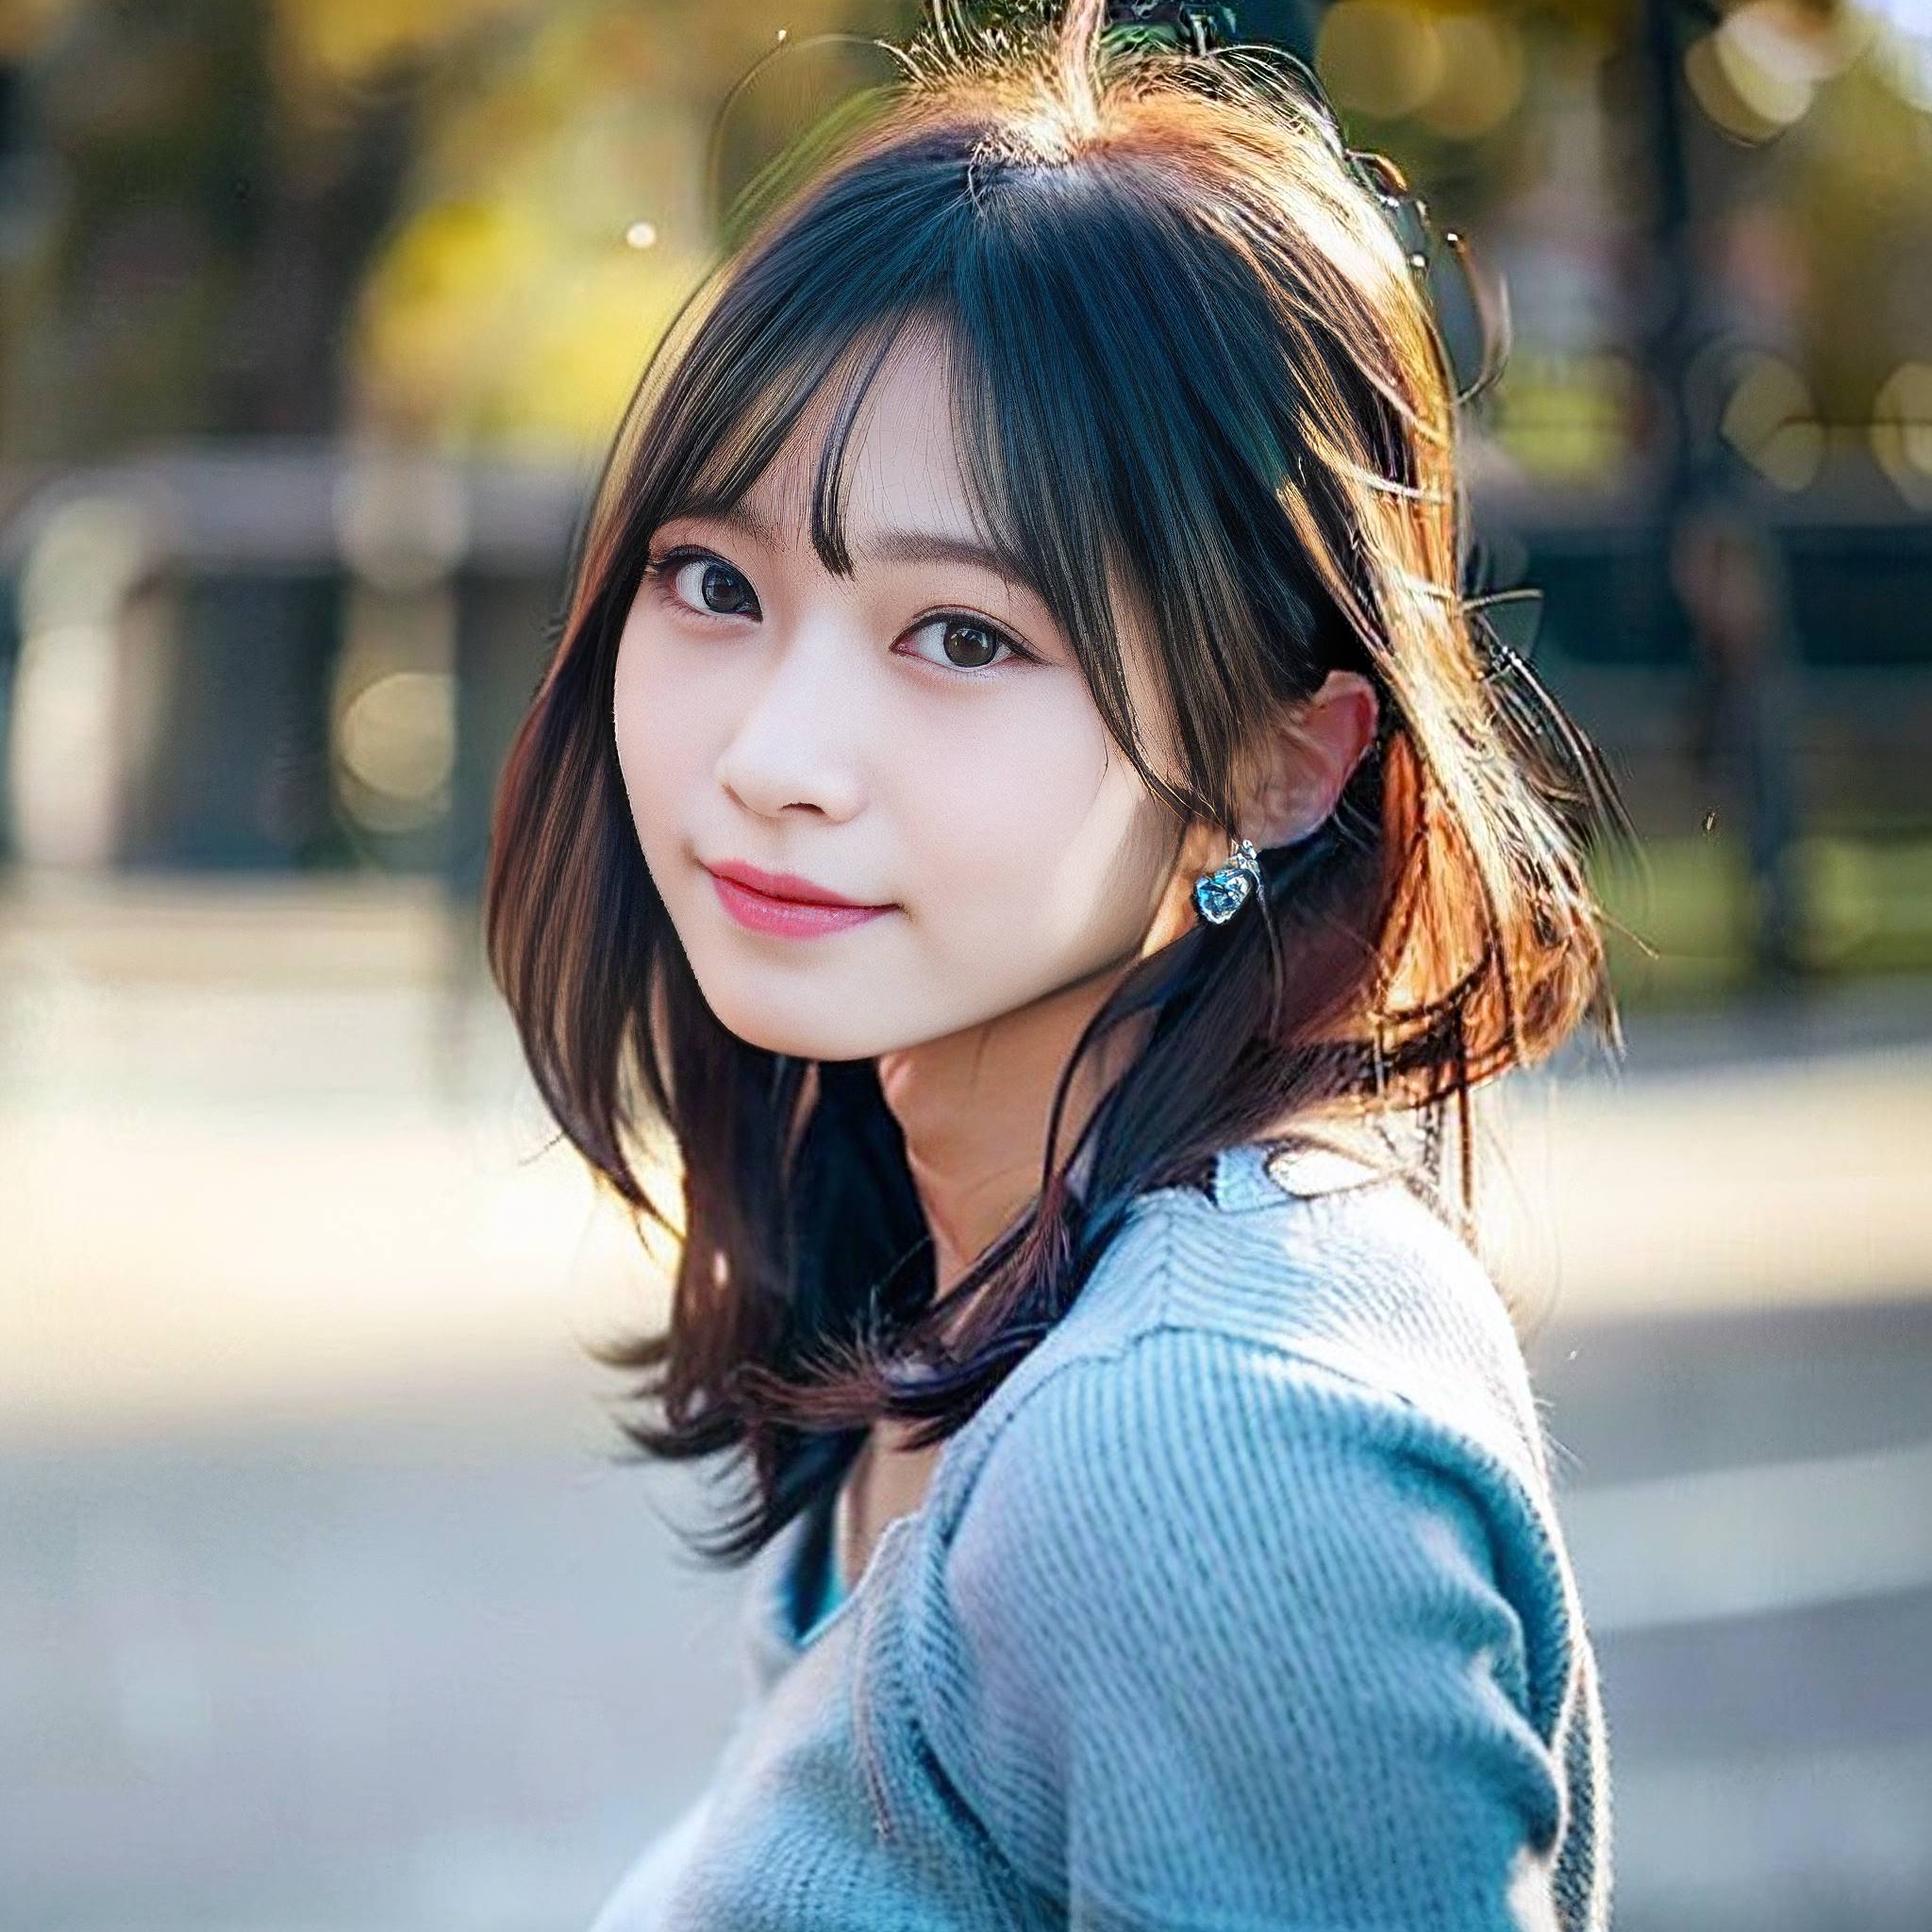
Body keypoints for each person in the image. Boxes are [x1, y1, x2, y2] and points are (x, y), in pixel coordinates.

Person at [484, 2, 1628, 1924]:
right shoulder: (986, 1280)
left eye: (963, 637)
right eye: (717, 584)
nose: (772, 754)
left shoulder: (1208, 1446)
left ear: (1283, 762)